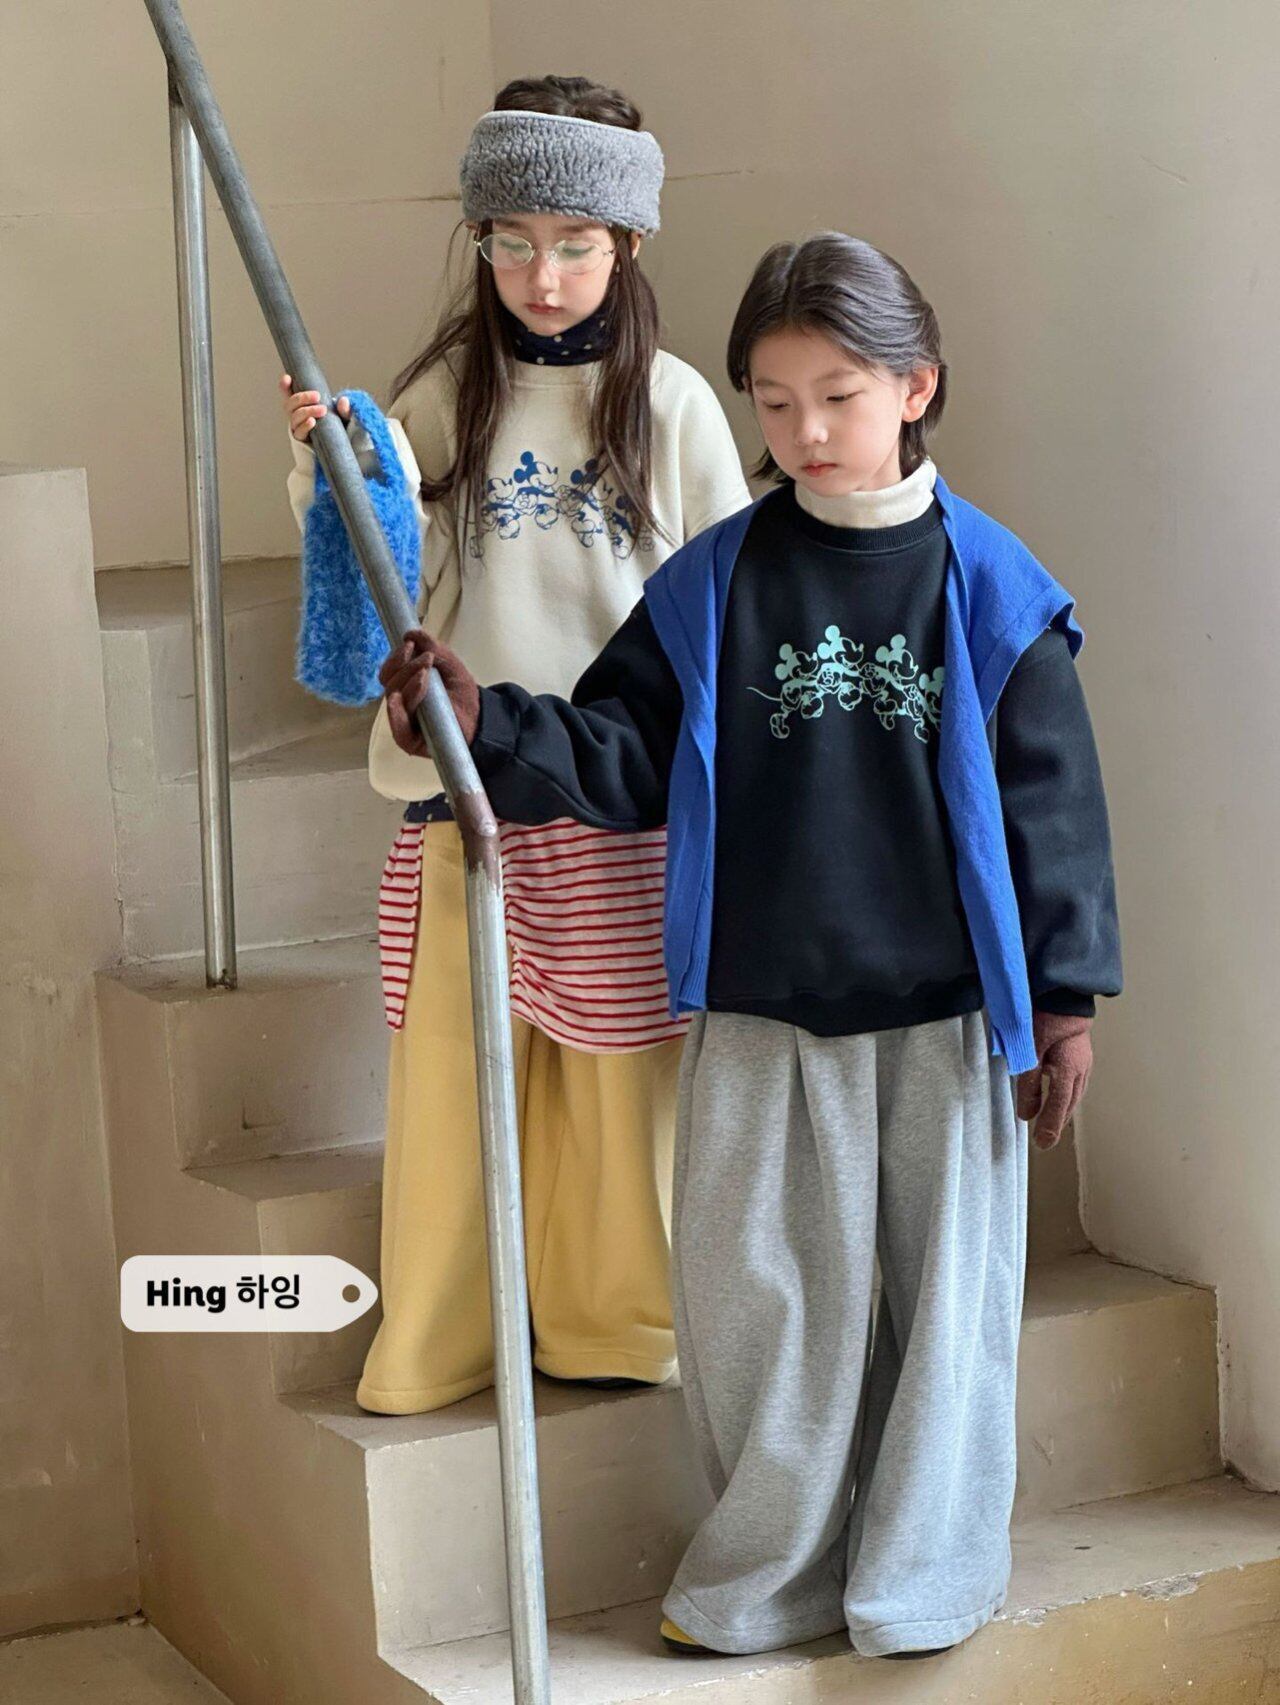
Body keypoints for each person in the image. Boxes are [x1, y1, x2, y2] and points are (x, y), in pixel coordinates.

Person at [376, 230, 1122, 1658]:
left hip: (947, 1018)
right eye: (774, 403)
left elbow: (1056, 810)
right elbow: (621, 751)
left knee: (946, 1324)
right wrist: (482, 723)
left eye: (838, 396)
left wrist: (1068, 1002)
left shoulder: (993, 585)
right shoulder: (714, 583)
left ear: (917, 387)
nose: (805, 432)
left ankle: (921, 1579)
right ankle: (764, 1576)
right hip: (759, 1008)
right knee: (759, 1316)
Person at [281, 75, 750, 1417]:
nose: (543, 277)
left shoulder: (673, 405)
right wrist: (339, 462)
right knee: (450, 1089)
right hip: (461, 793)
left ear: (629, 244)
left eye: (576, 245)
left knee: (616, 1098)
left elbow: (728, 602)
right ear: (480, 240)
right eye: (512, 242)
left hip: (615, 801)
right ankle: (437, 1341)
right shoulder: (444, 395)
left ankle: (616, 1326)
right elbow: (387, 557)